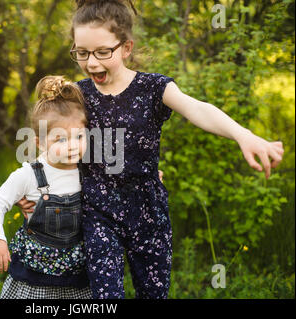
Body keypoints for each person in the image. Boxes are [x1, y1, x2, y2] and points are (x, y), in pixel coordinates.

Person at [16, 0, 284, 299]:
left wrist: (242, 135)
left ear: (126, 48)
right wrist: (36, 189)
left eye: (103, 52)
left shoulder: (153, 88)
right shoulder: (79, 95)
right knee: (106, 296)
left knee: (153, 293)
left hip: (148, 211)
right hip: (97, 213)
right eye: (82, 53)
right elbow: (52, 143)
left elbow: (198, 109)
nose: (91, 63)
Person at [0, 75, 92, 298]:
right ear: (40, 143)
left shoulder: (89, 171)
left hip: (78, 280)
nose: (72, 146)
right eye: (60, 140)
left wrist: (148, 177)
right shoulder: (29, 174)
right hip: (34, 279)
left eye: (79, 136)